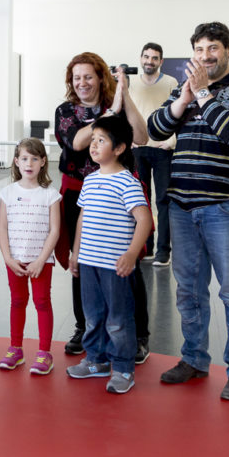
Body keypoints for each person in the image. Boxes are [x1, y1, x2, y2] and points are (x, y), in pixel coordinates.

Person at [148, 21, 229, 402]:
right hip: (182, 206)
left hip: (226, 206)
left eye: (212, 48)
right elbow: (157, 127)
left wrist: (201, 94)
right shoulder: (182, 90)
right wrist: (183, 99)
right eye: (199, 50)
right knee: (189, 293)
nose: (205, 56)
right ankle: (194, 359)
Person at [53, 53, 151, 361]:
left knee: (125, 262)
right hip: (78, 192)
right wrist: (110, 112)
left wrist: (124, 96)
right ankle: (85, 328)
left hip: (118, 191)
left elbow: (142, 135)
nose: (81, 83)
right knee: (80, 261)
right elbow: (79, 142)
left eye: (88, 77)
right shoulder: (66, 110)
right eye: (76, 77)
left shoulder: (116, 104)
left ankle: (138, 334)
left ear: (100, 79)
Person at [66, 115, 152, 394]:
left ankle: (124, 368)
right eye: (93, 140)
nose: (94, 145)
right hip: (89, 263)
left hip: (114, 265)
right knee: (93, 315)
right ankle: (96, 361)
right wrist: (75, 253)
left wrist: (131, 254)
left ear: (119, 148)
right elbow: (82, 218)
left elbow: (145, 220)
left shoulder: (127, 182)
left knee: (118, 318)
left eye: (101, 141)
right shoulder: (89, 180)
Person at [0, 137, 61, 375]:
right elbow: (1, 228)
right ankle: (16, 348)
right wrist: (8, 258)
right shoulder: (7, 193)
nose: (29, 163)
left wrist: (42, 260)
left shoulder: (50, 195)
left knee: (42, 303)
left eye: (34, 158)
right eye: (24, 158)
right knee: (17, 301)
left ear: (43, 162)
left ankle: (45, 352)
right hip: (16, 260)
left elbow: (55, 230)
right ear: (16, 162)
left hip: (41, 261)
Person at [129, 43, 177, 266]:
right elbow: (125, 113)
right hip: (138, 149)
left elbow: (178, 114)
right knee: (142, 201)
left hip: (162, 150)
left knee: (164, 201)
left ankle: (163, 251)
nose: (150, 61)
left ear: (161, 61)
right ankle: (146, 247)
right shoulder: (131, 84)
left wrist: (170, 143)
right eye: (146, 56)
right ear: (141, 58)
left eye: (154, 58)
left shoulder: (170, 83)